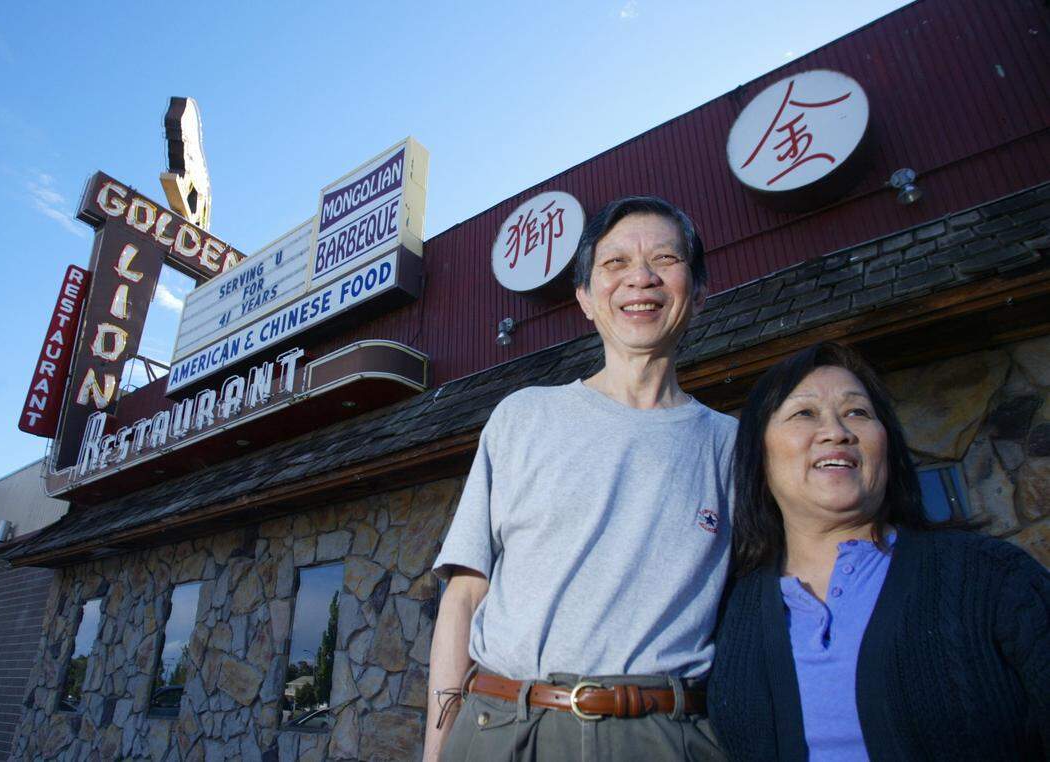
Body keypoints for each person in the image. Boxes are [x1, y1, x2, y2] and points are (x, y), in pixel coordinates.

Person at [422, 196, 737, 761]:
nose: (640, 277)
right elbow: (464, 595)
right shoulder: (522, 417)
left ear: (699, 292)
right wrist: (437, 750)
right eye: (615, 263)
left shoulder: (732, 446)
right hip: (501, 728)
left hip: (663, 738)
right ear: (586, 299)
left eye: (665, 259)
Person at [707, 342, 1050, 761]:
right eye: (804, 413)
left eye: (857, 412)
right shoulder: (726, 611)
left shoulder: (993, 576)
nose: (837, 432)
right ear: (758, 455)